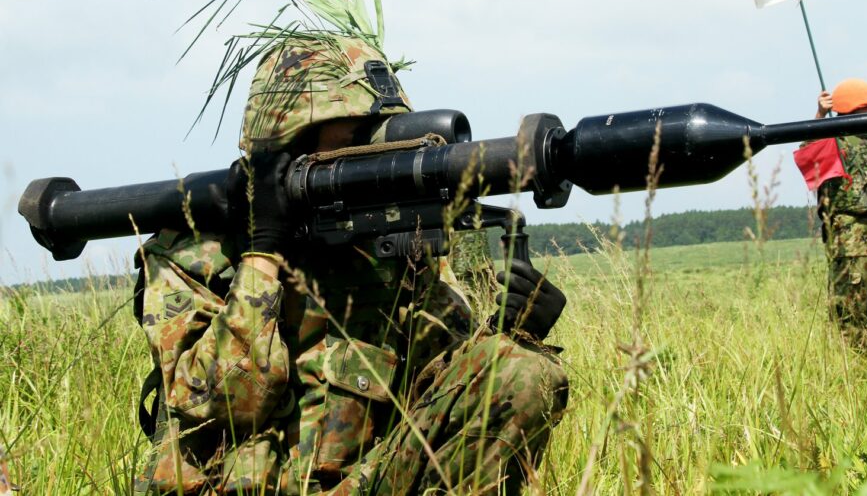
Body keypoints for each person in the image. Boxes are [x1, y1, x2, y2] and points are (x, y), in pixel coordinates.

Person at [132, 35, 569, 494]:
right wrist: (263, 252)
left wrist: (515, 332)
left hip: (354, 484)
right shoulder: (191, 253)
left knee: (520, 373)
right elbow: (220, 405)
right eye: (357, 133)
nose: (375, 149)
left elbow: (439, 394)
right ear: (287, 137)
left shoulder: (390, 244)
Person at [812, 79, 867, 346]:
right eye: (866, 108)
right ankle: (849, 371)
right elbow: (810, 155)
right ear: (852, 110)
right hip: (850, 244)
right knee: (849, 313)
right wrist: (821, 116)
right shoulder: (834, 141)